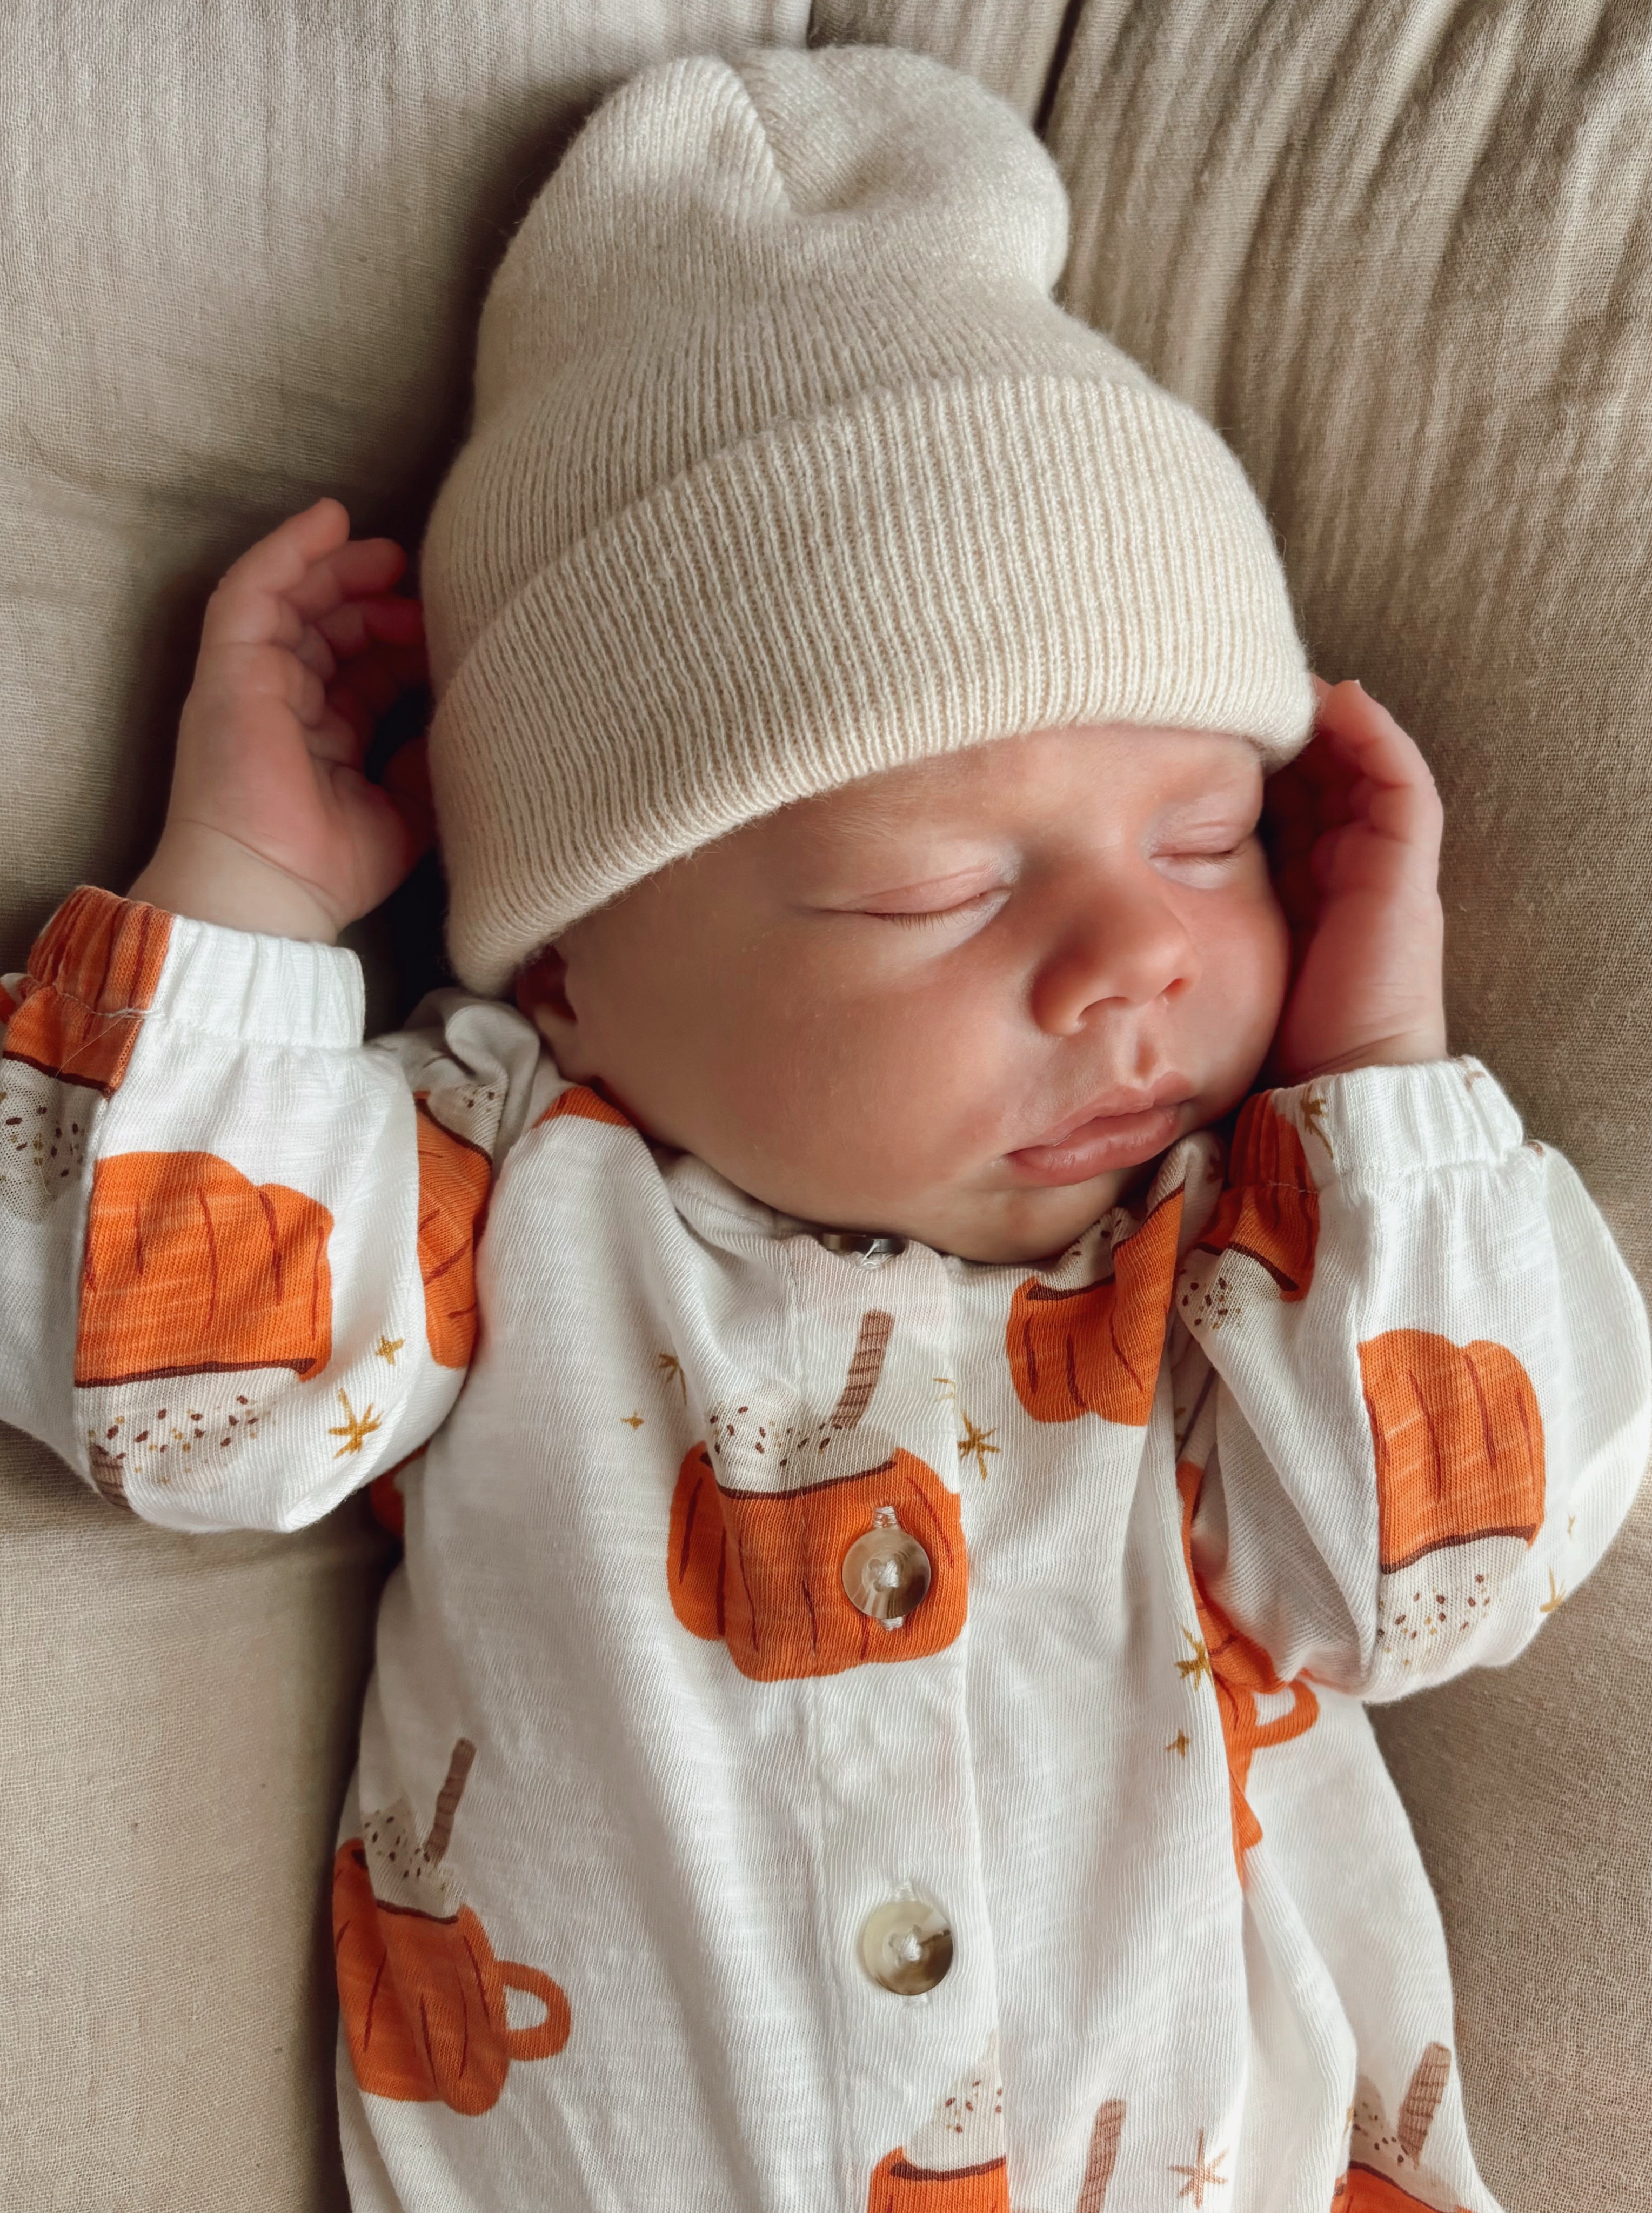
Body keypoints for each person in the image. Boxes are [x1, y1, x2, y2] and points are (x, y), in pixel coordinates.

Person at [2, 43, 1646, 2213]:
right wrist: (250, 886)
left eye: (1206, 833)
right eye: (938, 888)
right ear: (571, 959)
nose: (1129, 958)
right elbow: (164, 1381)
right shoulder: (502, 1202)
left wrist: (1376, 1074)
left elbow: (1453, 1567)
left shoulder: (1221, 1282)